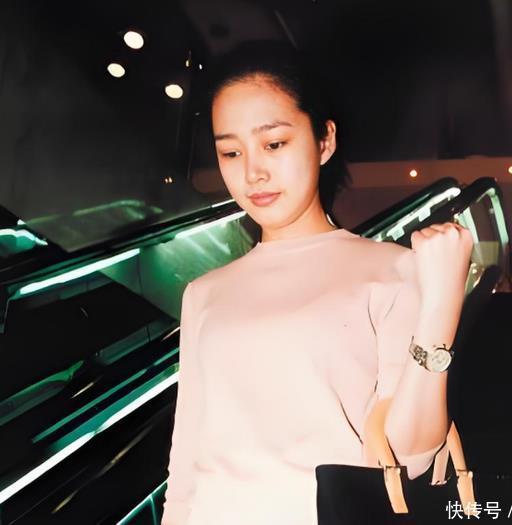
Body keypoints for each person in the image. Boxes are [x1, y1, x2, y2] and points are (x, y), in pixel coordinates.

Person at [161, 41, 473, 524]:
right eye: (231, 152)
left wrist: (443, 300)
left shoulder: (391, 270)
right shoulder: (204, 292)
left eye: (274, 144)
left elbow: (410, 456)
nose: (253, 172)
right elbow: (185, 467)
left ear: (324, 140)